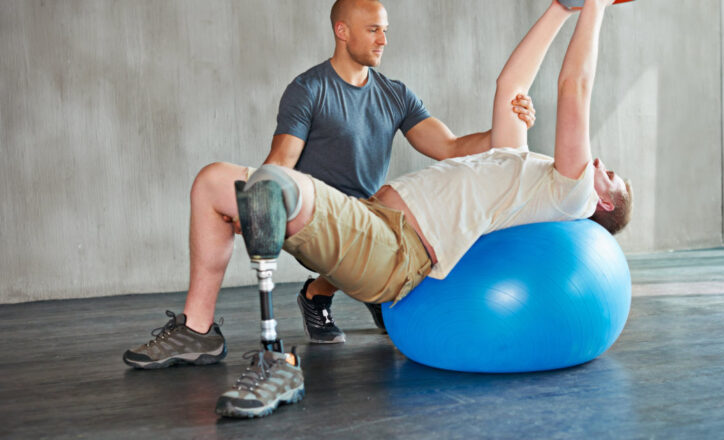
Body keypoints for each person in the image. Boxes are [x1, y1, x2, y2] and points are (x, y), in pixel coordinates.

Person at [215, 0, 633, 419]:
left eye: (610, 175)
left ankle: (305, 289)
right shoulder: (522, 165)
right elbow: (510, 86)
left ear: (603, 201)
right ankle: (313, 286)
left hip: (399, 239)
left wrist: (595, 5)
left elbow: (574, 88)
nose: (600, 164)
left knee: (258, 192)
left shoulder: (571, 192)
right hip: (376, 213)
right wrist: (560, 9)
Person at [122, 0, 538, 370]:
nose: (383, 40)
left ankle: (323, 295)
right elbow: (281, 162)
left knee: (382, 217)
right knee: (214, 181)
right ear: (342, 32)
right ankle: (198, 331)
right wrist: (251, 206)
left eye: (386, 30)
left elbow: (450, 147)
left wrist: (507, 124)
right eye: (374, 29)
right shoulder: (309, 89)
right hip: (315, 218)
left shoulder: (395, 95)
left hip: (372, 228)